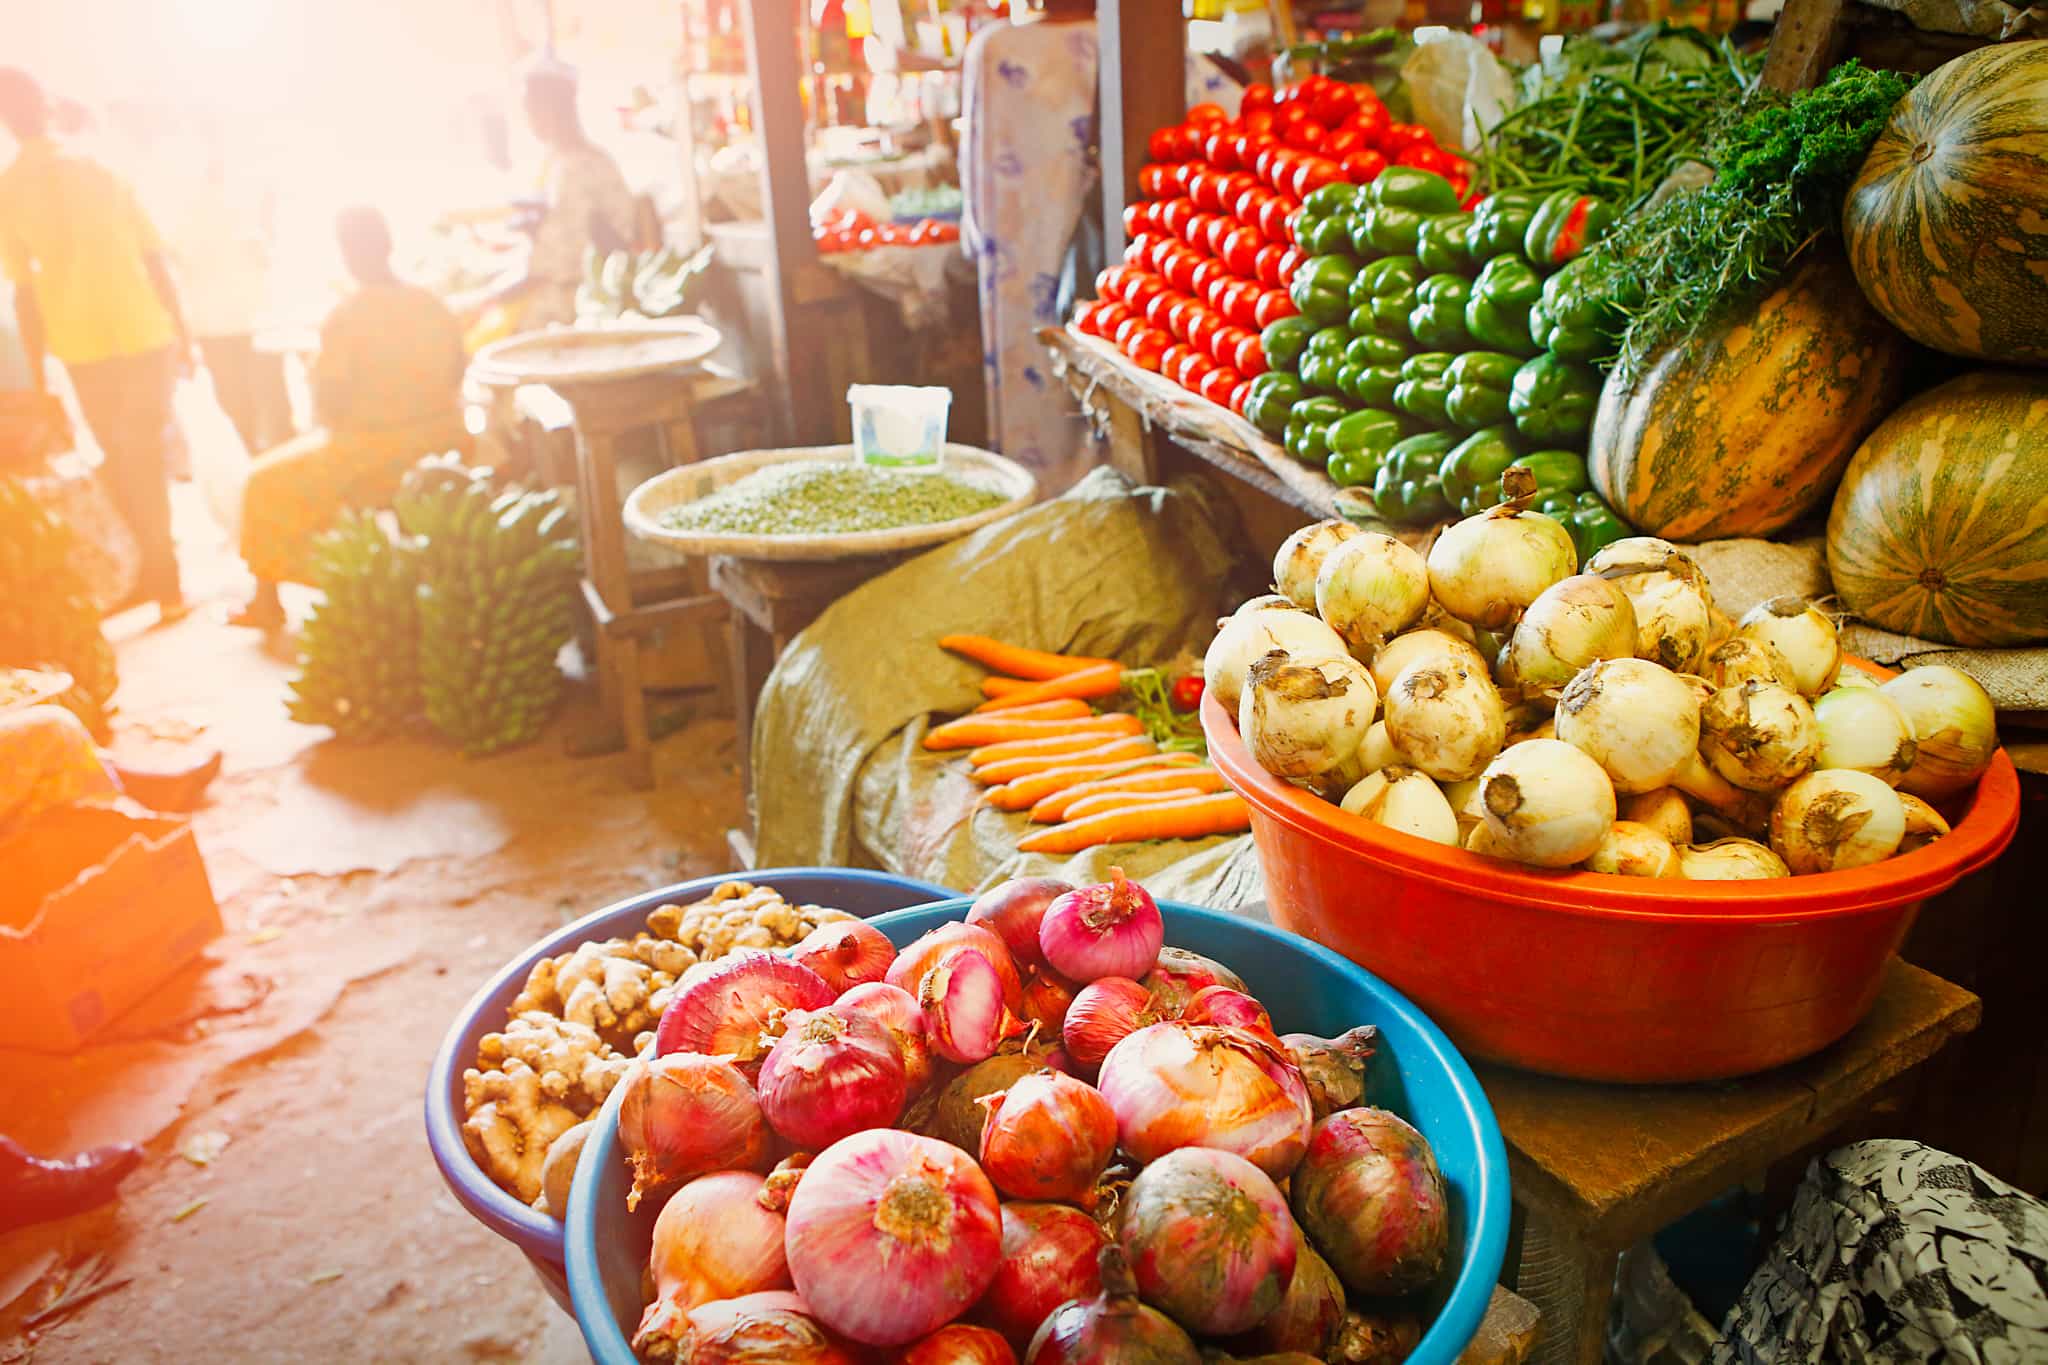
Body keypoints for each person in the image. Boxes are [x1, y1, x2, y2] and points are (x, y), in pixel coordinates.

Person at [959, 4, 1240, 494]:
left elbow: (978, 201)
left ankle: (1040, 503)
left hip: (1020, 273)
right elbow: (1233, 118)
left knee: (1039, 404)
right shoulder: (1157, 45)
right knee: (1113, 390)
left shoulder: (997, 49)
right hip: (1135, 260)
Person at [0, 67, 193, 620]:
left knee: (127, 453)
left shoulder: (9, 191)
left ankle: (158, 579)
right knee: (138, 453)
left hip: (83, 345)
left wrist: (39, 377)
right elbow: (154, 258)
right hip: (144, 333)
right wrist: (182, 333)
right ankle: (157, 578)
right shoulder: (102, 168)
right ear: (47, 106)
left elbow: (25, 293)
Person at [229, 206, 468, 629]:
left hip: (371, 451)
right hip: (445, 439)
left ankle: (278, 599)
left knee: (260, 485)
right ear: (388, 244)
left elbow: (331, 403)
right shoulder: (432, 304)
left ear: (347, 255)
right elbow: (458, 370)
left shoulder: (347, 317)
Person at [468, 61, 639, 330]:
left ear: (552, 109)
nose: (527, 118)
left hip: (577, 305)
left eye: (530, 108)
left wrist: (498, 293)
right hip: (560, 291)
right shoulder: (554, 160)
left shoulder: (580, 166)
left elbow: (562, 263)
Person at [170, 136, 292, 458]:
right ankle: (276, 460)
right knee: (271, 405)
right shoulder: (244, 204)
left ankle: (254, 458)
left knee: (238, 404)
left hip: (218, 324)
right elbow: (265, 257)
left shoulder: (183, 213)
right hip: (253, 320)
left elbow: (176, 265)